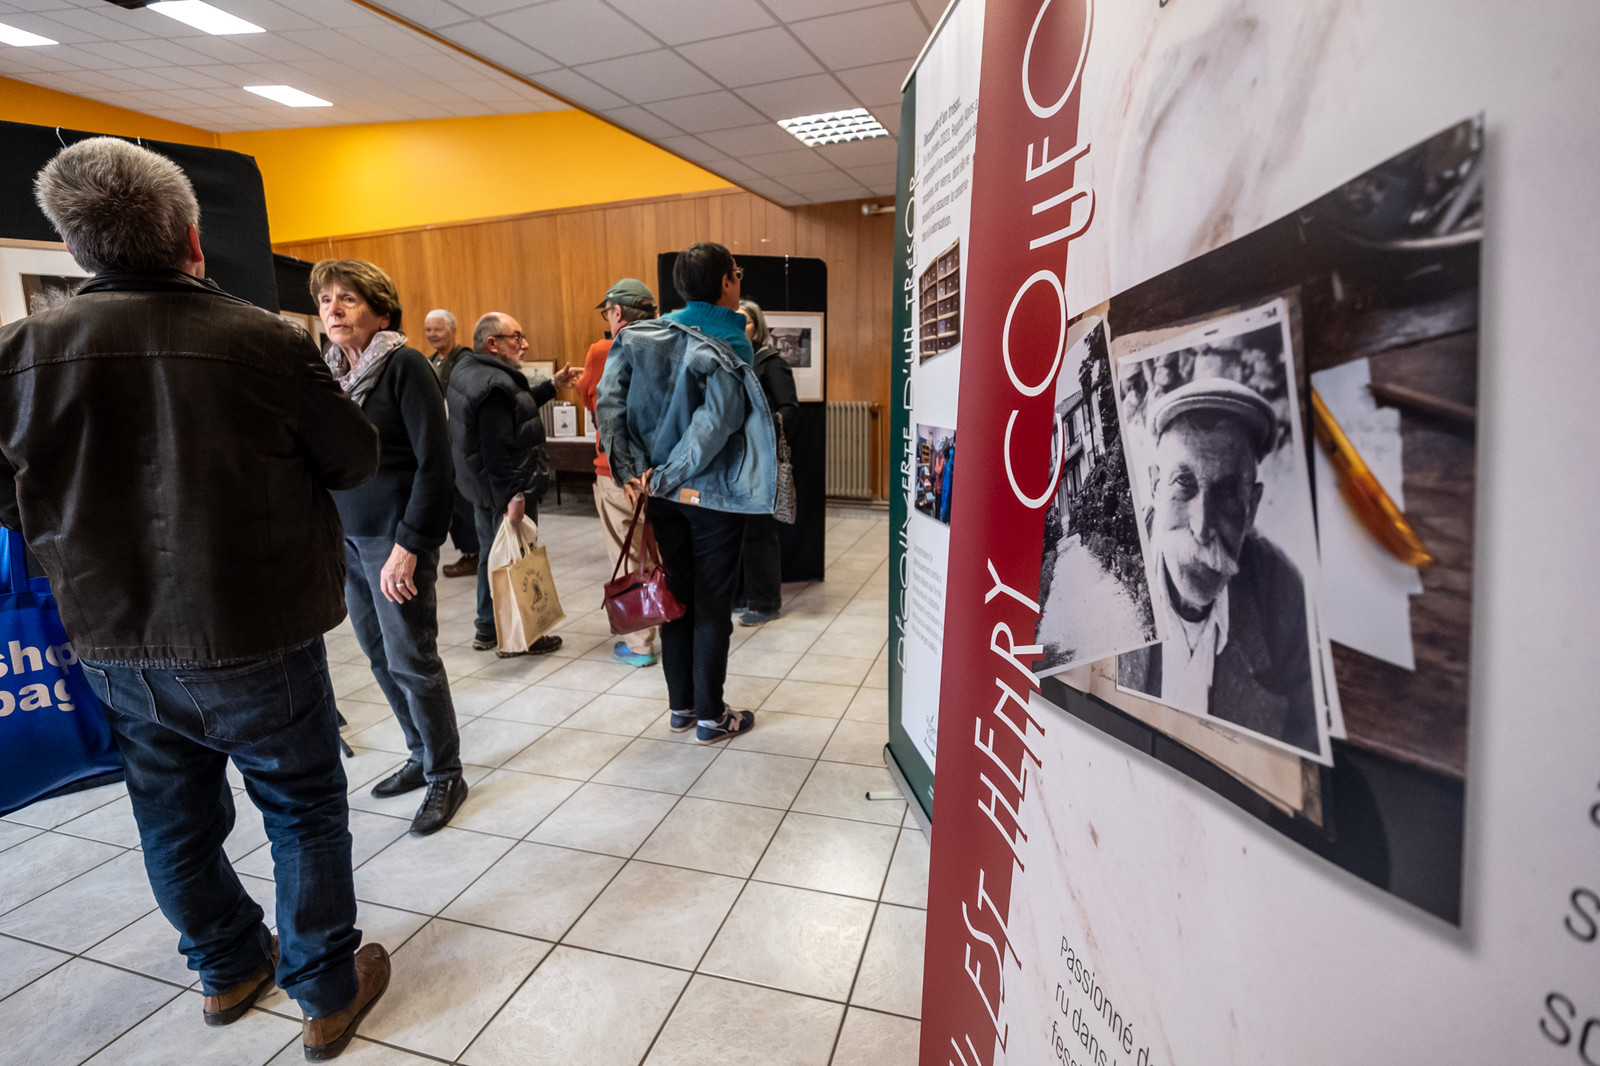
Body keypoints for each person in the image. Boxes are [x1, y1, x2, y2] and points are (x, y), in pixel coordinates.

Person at [0, 138, 389, 1059]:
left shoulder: (17, 354)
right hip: (257, 626)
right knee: (301, 808)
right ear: (192, 238)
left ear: (73, 245)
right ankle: (324, 991)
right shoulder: (262, 340)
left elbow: (7, 500)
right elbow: (353, 460)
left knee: (170, 815)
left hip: (111, 633)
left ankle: (227, 967)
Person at [597, 241, 777, 744]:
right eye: (736, 273)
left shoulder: (642, 335)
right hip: (711, 494)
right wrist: (670, 473)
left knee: (674, 597)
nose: (738, 281)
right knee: (711, 604)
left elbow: (609, 403)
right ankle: (711, 716)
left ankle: (682, 707)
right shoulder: (729, 342)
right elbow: (713, 424)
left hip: (659, 493)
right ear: (725, 282)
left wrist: (634, 470)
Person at [314, 261, 467, 836]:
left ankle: (446, 773)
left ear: (381, 311)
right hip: (347, 540)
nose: (333, 309)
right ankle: (420, 754)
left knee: (411, 658)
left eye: (348, 299)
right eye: (325, 299)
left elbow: (436, 463)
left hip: (394, 538)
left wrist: (411, 544)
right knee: (378, 655)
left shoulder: (405, 366)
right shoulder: (329, 373)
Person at [1116, 378, 1318, 752]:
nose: (1202, 527)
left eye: (1227, 493)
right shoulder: (1117, 564)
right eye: (1184, 483)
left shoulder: (1282, 595)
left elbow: (1304, 742)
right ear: (1156, 487)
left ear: (1251, 507)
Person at [449, 311, 579, 656]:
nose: (525, 344)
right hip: (504, 486)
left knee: (492, 557)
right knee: (517, 561)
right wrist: (514, 495)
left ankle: (487, 628)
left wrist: (551, 385)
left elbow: (513, 411)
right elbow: (495, 447)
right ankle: (522, 637)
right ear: (493, 343)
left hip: (481, 487)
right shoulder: (494, 384)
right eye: (517, 337)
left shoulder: (472, 370)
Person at [576, 278, 661, 666]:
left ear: (616, 312)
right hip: (661, 470)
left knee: (628, 553)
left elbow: (591, 398)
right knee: (659, 552)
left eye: (607, 312)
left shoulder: (603, 349)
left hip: (617, 472)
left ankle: (640, 644)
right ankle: (670, 620)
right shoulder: (670, 343)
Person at [734, 298, 798, 625]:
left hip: (761, 458)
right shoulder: (730, 358)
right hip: (733, 460)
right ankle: (740, 596)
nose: (738, 325)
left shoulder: (771, 362)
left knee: (759, 532)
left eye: (744, 321)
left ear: (757, 327)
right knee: (735, 531)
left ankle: (765, 602)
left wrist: (758, 424)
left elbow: (789, 409)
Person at [422, 309, 480, 578]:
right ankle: (469, 551)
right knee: (452, 502)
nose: (432, 335)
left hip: (463, 444)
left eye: (438, 329)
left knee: (464, 500)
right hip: (441, 444)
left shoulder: (466, 360)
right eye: (428, 330)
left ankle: (474, 554)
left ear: (453, 330)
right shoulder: (429, 362)